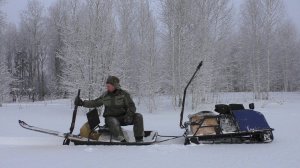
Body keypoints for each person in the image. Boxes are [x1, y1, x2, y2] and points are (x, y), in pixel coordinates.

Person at [74, 76, 144, 142]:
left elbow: (132, 106)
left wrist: (129, 115)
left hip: (124, 118)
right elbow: (95, 103)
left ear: (115, 86)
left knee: (138, 116)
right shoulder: (105, 95)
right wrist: (82, 103)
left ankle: (139, 139)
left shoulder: (124, 94)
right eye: (106, 86)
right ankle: (123, 140)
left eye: (109, 86)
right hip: (110, 119)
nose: (107, 87)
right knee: (113, 120)